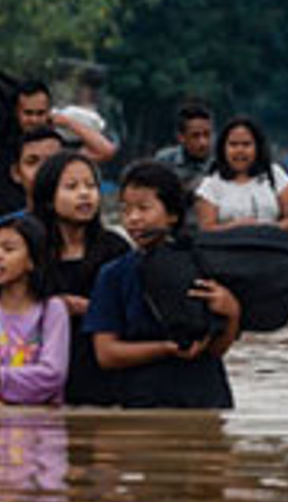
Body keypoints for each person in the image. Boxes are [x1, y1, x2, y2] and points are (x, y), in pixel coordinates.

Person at [86, 161, 242, 408]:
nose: (133, 218)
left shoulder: (203, 265)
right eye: (126, 210)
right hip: (143, 402)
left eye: (144, 208)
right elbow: (107, 354)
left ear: (172, 215)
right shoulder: (113, 275)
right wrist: (165, 348)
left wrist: (232, 311)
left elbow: (216, 350)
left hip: (205, 398)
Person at [0, 56, 117, 218]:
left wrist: (66, 122)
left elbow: (106, 151)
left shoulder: (57, 149)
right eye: (28, 113)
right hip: (6, 234)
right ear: (17, 112)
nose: (34, 120)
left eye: (40, 113)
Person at [30, 151, 132, 406]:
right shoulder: (31, 250)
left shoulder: (115, 248)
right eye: (72, 187)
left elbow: (132, 312)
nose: (85, 194)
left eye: (91, 186)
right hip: (43, 369)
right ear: (49, 198)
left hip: (102, 374)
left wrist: (90, 309)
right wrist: (54, 307)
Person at [0, 216, 70, 404]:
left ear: (32, 261)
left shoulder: (51, 309)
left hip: (41, 422)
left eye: (8, 249)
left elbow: (53, 374)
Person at [195, 116, 288, 234]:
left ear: (257, 147)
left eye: (246, 144)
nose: (240, 150)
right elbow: (207, 228)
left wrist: (264, 229)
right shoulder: (212, 183)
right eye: (233, 144)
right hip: (226, 250)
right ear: (223, 148)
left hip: (272, 248)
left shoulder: (275, 174)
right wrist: (237, 227)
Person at [0, 127, 64, 227]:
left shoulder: (84, 226)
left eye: (52, 161)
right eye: (32, 162)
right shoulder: (3, 230)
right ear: (16, 173)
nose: (43, 169)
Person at [154, 103, 215, 234]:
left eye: (207, 135)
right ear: (181, 137)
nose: (203, 142)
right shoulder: (165, 161)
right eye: (196, 136)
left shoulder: (221, 163)